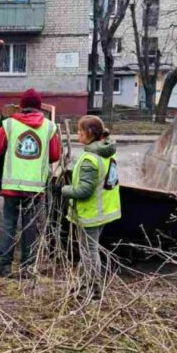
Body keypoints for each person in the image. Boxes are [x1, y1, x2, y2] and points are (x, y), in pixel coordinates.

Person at [0, 88, 61, 278]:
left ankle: (4, 268)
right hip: (35, 189)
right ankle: (27, 269)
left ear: (21, 106)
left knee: (9, 225)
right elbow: (55, 155)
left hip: (12, 187)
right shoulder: (49, 127)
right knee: (30, 228)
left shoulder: (9, 124)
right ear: (38, 107)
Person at [60, 114, 120, 298]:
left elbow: (84, 191)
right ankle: (86, 283)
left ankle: (93, 289)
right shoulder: (106, 151)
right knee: (90, 249)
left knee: (89, 252)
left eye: (80, 130)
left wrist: (64, 189)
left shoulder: (89, 159)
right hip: (105, 209)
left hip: (91, 212)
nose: (78, 133)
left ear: (90, 133)